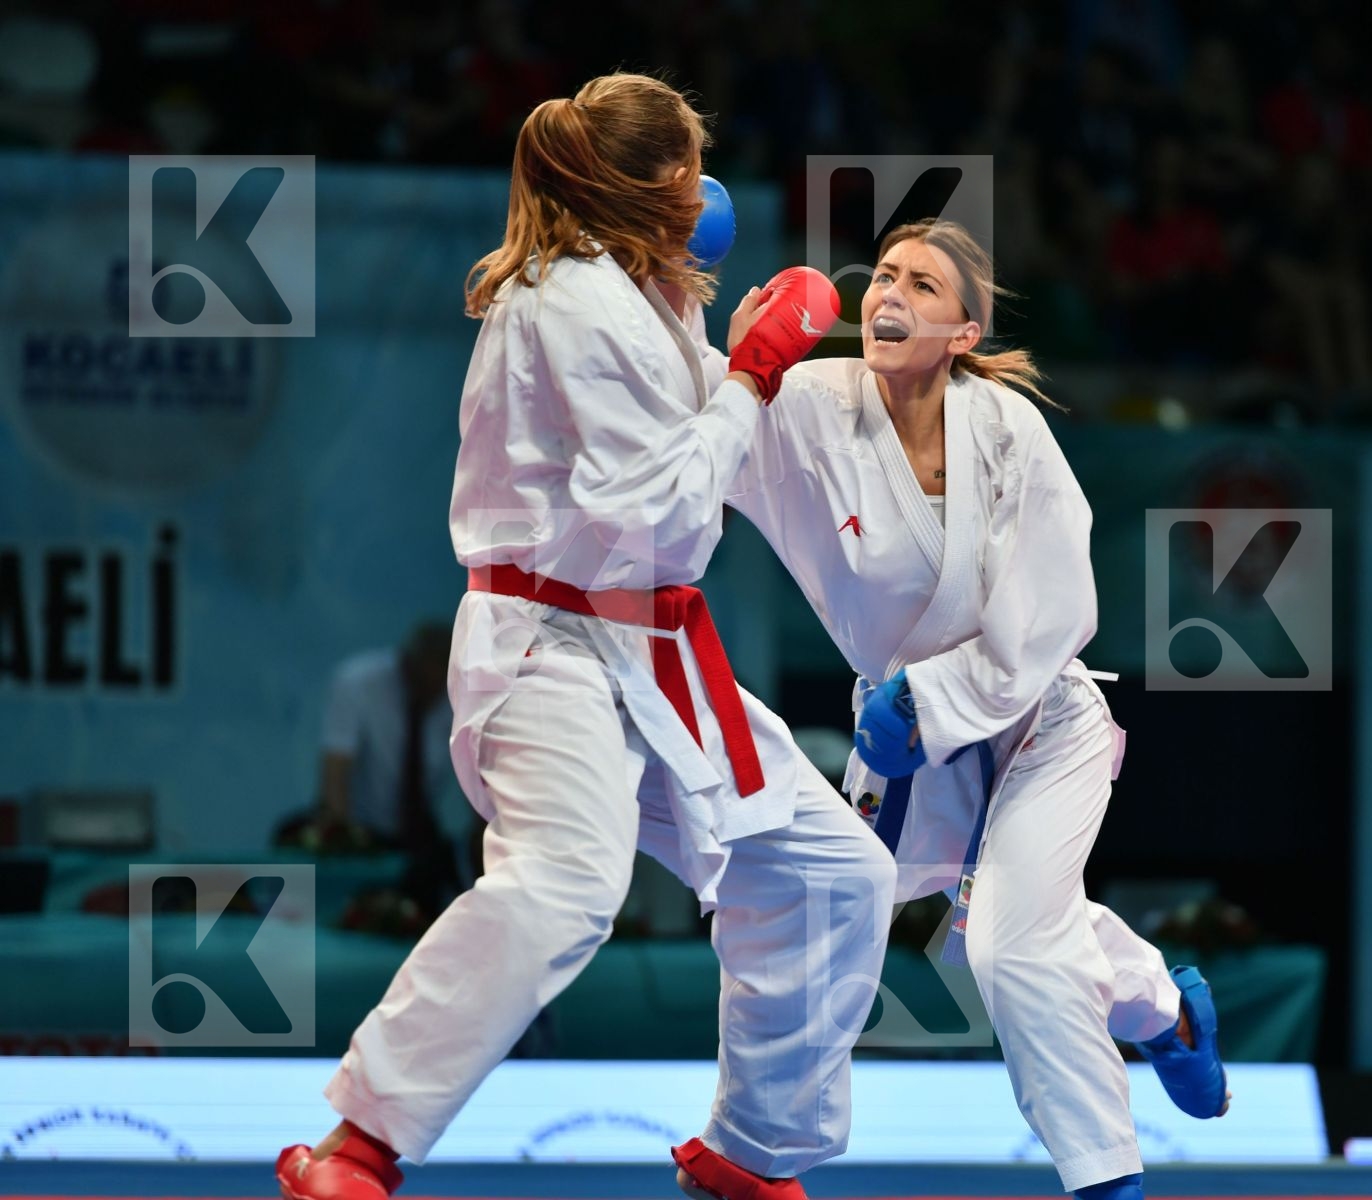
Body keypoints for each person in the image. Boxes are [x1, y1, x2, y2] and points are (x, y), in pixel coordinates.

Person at [274, 73, 896, 1200]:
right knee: (566, 883)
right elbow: (653, 505)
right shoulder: (565, 302)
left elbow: (731, 435)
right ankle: (357, 1147)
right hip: (550, 647)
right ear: (657, 182)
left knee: (832, 870)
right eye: (694, 163)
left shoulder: (646, 297)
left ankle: (752, 1149)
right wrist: (756, 372)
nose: (709, 186)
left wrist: (834, 377)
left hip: (653, 654)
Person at [723, 219, 1228, 1200]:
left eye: (922, 283)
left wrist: (936, 696)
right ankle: (1166, 1008)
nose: (889, 294)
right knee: (924, 919)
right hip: (909, 736)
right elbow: (700, 420)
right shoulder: (816, 405)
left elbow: (1059, 607)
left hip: (1039, 719)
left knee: (1010, 946)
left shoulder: (1004, 431)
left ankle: (1106, 1181)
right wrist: (733, 363)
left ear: (962, 332)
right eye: (884, 277)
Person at [299, 622, 467, 916]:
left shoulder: (463, 698)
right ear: (406, 665)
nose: (432, 695)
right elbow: (336, 773)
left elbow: (483, 785)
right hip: (359, 830)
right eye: (424, 683)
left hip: (418, 834)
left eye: (439, 687)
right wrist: (345, 845)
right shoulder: (357, 683)